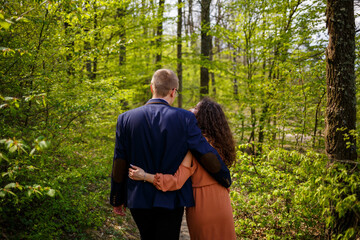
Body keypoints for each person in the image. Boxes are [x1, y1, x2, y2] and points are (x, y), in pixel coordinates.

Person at [110, 69, 232, 240]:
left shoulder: (125, 119)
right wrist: (224, 177)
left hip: (138, 198)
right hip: (171, 200)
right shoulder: (184, 118)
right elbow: (204, 152)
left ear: (152, 87)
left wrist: (117, 197)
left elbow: (119, 161)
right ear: (173, 91)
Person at [129, 97, 237, 240]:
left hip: (202, 206)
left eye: (195, 108)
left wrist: (144, 176)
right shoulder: (221, 142)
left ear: (201, 116)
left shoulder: (194, 145)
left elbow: (176, 181)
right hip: (222, 202)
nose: (191, 109)